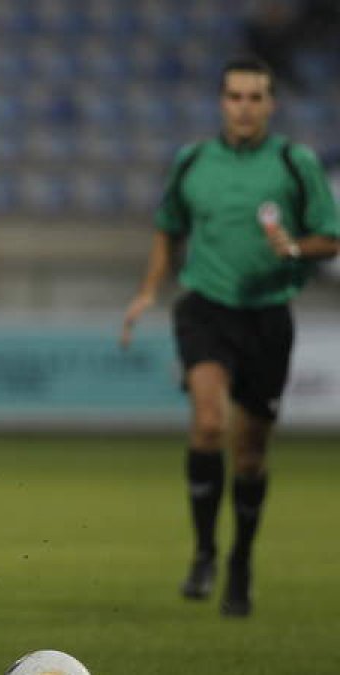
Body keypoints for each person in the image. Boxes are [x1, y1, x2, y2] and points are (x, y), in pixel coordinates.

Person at [120, 55, 339, 617]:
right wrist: (148, 291)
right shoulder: (193, 161)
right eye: (235, 96)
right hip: (205, 307)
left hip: (267, 315)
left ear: (271, 104)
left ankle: (240, 560)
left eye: (255, 97)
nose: (244, 107)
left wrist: (292, 248)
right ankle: (204, 553)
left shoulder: (295, 163)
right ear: (222, 103)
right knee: (210, 422)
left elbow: (330, 238)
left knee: (250, 455)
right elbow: (168, 229)